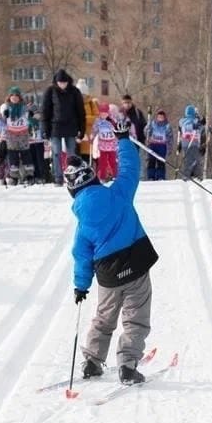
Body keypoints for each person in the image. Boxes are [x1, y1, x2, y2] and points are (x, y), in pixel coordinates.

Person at [67, 115, 159, 385]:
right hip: (136, 265)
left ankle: (92, 361)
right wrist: (123, 141)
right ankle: (128, 364)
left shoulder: (83, 224)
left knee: (104, 316)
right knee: (136, 316)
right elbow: (130, 170)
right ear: (94, 179)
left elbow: (81, 256)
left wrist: (81, 286)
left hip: (108, 274)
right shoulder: (118, 193)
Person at [41, 69, 85, 185]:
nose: (62, 85)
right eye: (60, 82)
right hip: (55, 126)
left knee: (71, 153)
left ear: (68, 82)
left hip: (71, 126)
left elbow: (80, 111)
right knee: (56, 153)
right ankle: (58, 177)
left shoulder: (74, 91)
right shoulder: (50, 91)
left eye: (64, 82)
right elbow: (45, 111)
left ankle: (73, 176)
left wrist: (82, 129)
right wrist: (45, 129)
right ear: (56, 82)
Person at [0, 86, 34, 185]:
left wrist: (31, 113)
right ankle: (14, 176)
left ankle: (29, 175)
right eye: (12, 95)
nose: (14, 97)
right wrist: (4, 114)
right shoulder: (6, 106)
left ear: (19, 97)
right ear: (9, 97)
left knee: (26, 155)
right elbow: (2, 113)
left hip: (23, 134)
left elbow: (31, 114)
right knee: (12, 156)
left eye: (16, 96)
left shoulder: (23, 107)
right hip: (11, 135)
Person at [91, 103, 119, 182]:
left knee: (112, 161)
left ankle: (115, 176)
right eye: (101, 113)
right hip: (102, 145)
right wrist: (92, 136)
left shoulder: (112, 120)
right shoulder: (98, 121)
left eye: (105, 113)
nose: (103, 115)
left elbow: (116, 129)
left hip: (112, 145)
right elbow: (94, 130)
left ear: (108, 112)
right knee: (102, 162)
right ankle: (102, 177)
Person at [177, 104, 205, 179]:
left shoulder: (195, 120)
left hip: (193, 142)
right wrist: (194, 125)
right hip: (188, 142)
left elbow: (201, 129)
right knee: (189, 159)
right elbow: (187, 126)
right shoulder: (183, 121)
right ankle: (187, 174)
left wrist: (202, 123)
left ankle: (196, 174)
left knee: (195, 159)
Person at [145, 109, 173, 181]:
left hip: (162, 145)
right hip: (153, 145)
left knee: (161, 161)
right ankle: (151, 176)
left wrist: (170, 148)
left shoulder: (167, 126)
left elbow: (170, 138)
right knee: (151, 161)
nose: (160, 119)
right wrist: (147, 129)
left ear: (164, 118)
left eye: (162, 117)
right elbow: (146, 132)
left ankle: (160, 176)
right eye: (159, 117)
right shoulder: (152, 124)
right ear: (157, 117)